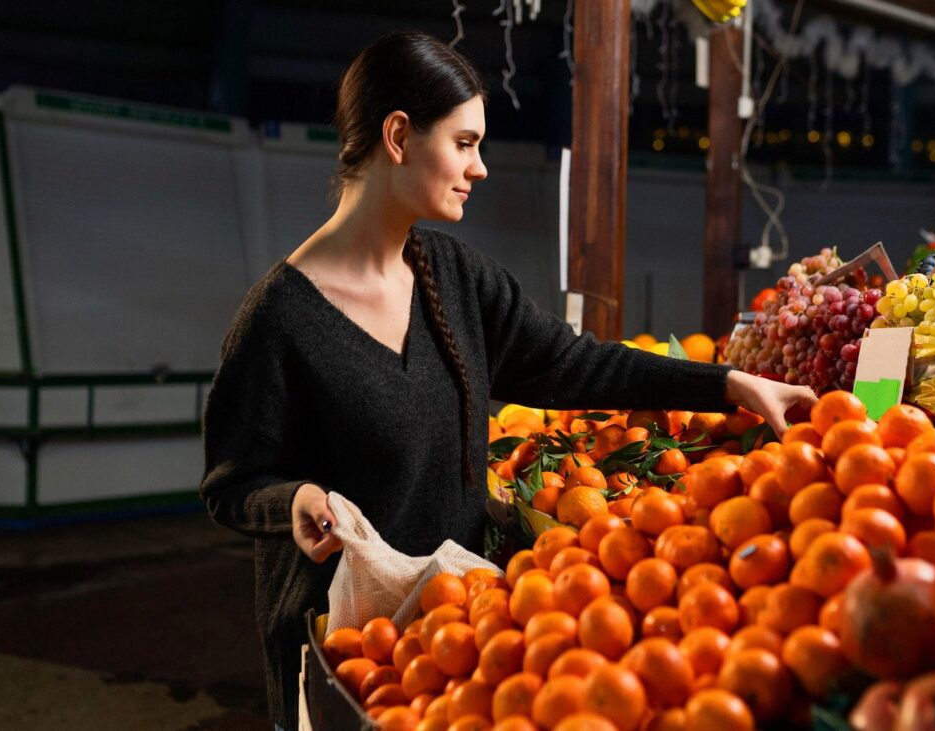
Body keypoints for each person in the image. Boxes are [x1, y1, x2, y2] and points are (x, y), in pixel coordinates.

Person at [199, 31, 817, 731]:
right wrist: (294, 498)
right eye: (465, 143)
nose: (480, 167)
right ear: (398, 136)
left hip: (455, 642)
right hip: (341, 661)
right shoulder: (279, 320)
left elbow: (578, 364)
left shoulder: (459, 280)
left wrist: (731, 384)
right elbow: (230, 482)